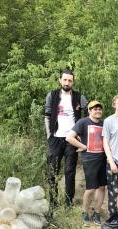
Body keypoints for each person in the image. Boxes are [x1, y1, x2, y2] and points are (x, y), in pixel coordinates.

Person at [44, 68, 88, 207]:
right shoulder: (52, 95)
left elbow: (88, 116)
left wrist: (82, 135)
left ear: (73, 82)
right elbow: (47, 116)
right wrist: (49, 135)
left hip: (71, 139)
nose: (67, 82)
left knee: (69, 172)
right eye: (65, 79)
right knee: (52, 172)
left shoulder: (79, 97)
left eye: (70, 80)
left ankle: (68, 203)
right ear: (60, 80)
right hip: (55, 138)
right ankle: (53, 202)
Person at [66, 100, 107, 225]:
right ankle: (84, 212)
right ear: (89, 111)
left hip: (103, 159)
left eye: (99, 109)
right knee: (91, 188)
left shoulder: (104, 123)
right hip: (89, 159)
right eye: (94, 109)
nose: (98, 111)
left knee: (102, 187)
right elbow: (69, 137)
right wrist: (83, 146)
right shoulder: (83, 122)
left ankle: (97, 213)